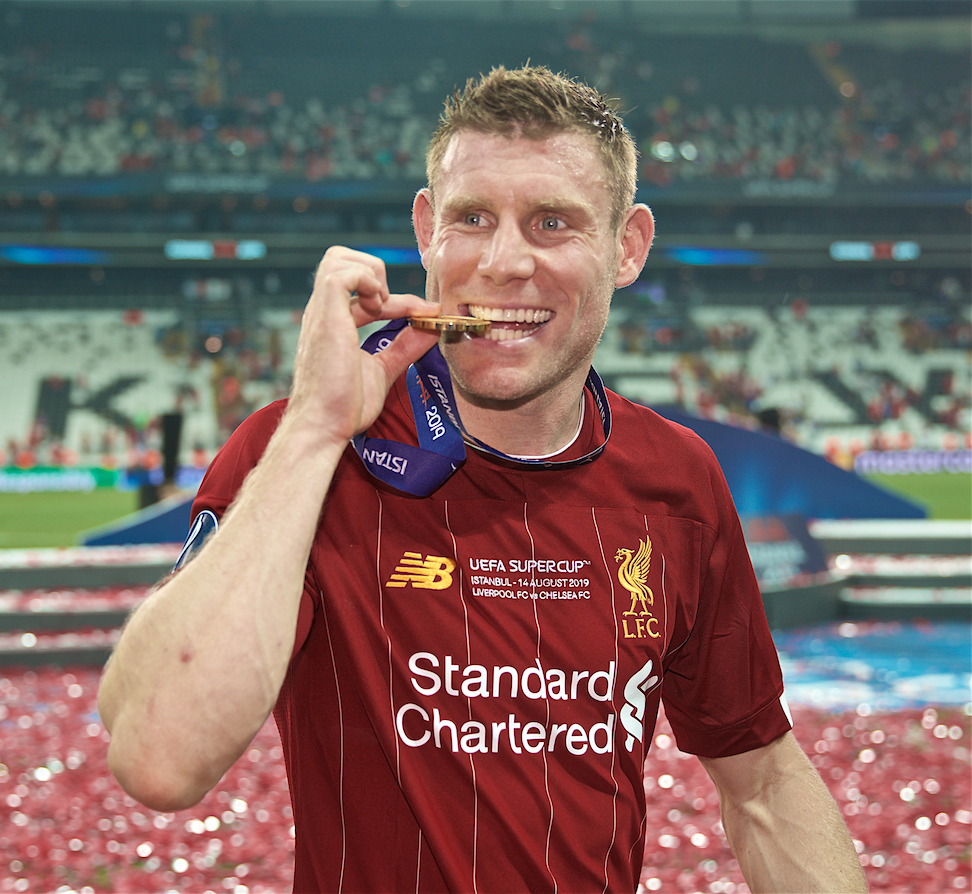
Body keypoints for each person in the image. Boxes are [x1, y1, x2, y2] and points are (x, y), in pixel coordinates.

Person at [99, 65, 866, 894]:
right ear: (427, 229)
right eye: (472, 218)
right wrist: (315, 431)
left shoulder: (677, 481)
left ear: (627, 246)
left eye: (551, 223)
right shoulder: (301, 452)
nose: (505, 262)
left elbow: (761, 779)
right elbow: (156, 758)